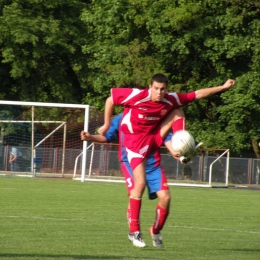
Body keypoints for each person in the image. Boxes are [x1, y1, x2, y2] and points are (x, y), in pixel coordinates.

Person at [98, 73, 235, 247]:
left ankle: (155, 230)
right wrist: (107, 124)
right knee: (139, 185)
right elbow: (110, 100)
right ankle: (134, 231)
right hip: (134, 144)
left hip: (153, 139)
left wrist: (222, 87)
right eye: (156, 88)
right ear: (150, 87)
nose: (159, 93)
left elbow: (198, 94)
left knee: (178, 111)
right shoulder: (136, 95)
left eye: (163, 89)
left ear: (167, 89)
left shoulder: (170, 99)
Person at [81, 108, 195, 248]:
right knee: (135, 190)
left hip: (152, 163)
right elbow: (107, 137)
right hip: (130, 162)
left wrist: (176, 153)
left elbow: (166, 137)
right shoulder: (120, 118)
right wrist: (90, 137)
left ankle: (155, 230)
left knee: (165, 198)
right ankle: (134, 231)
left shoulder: (153, 116)